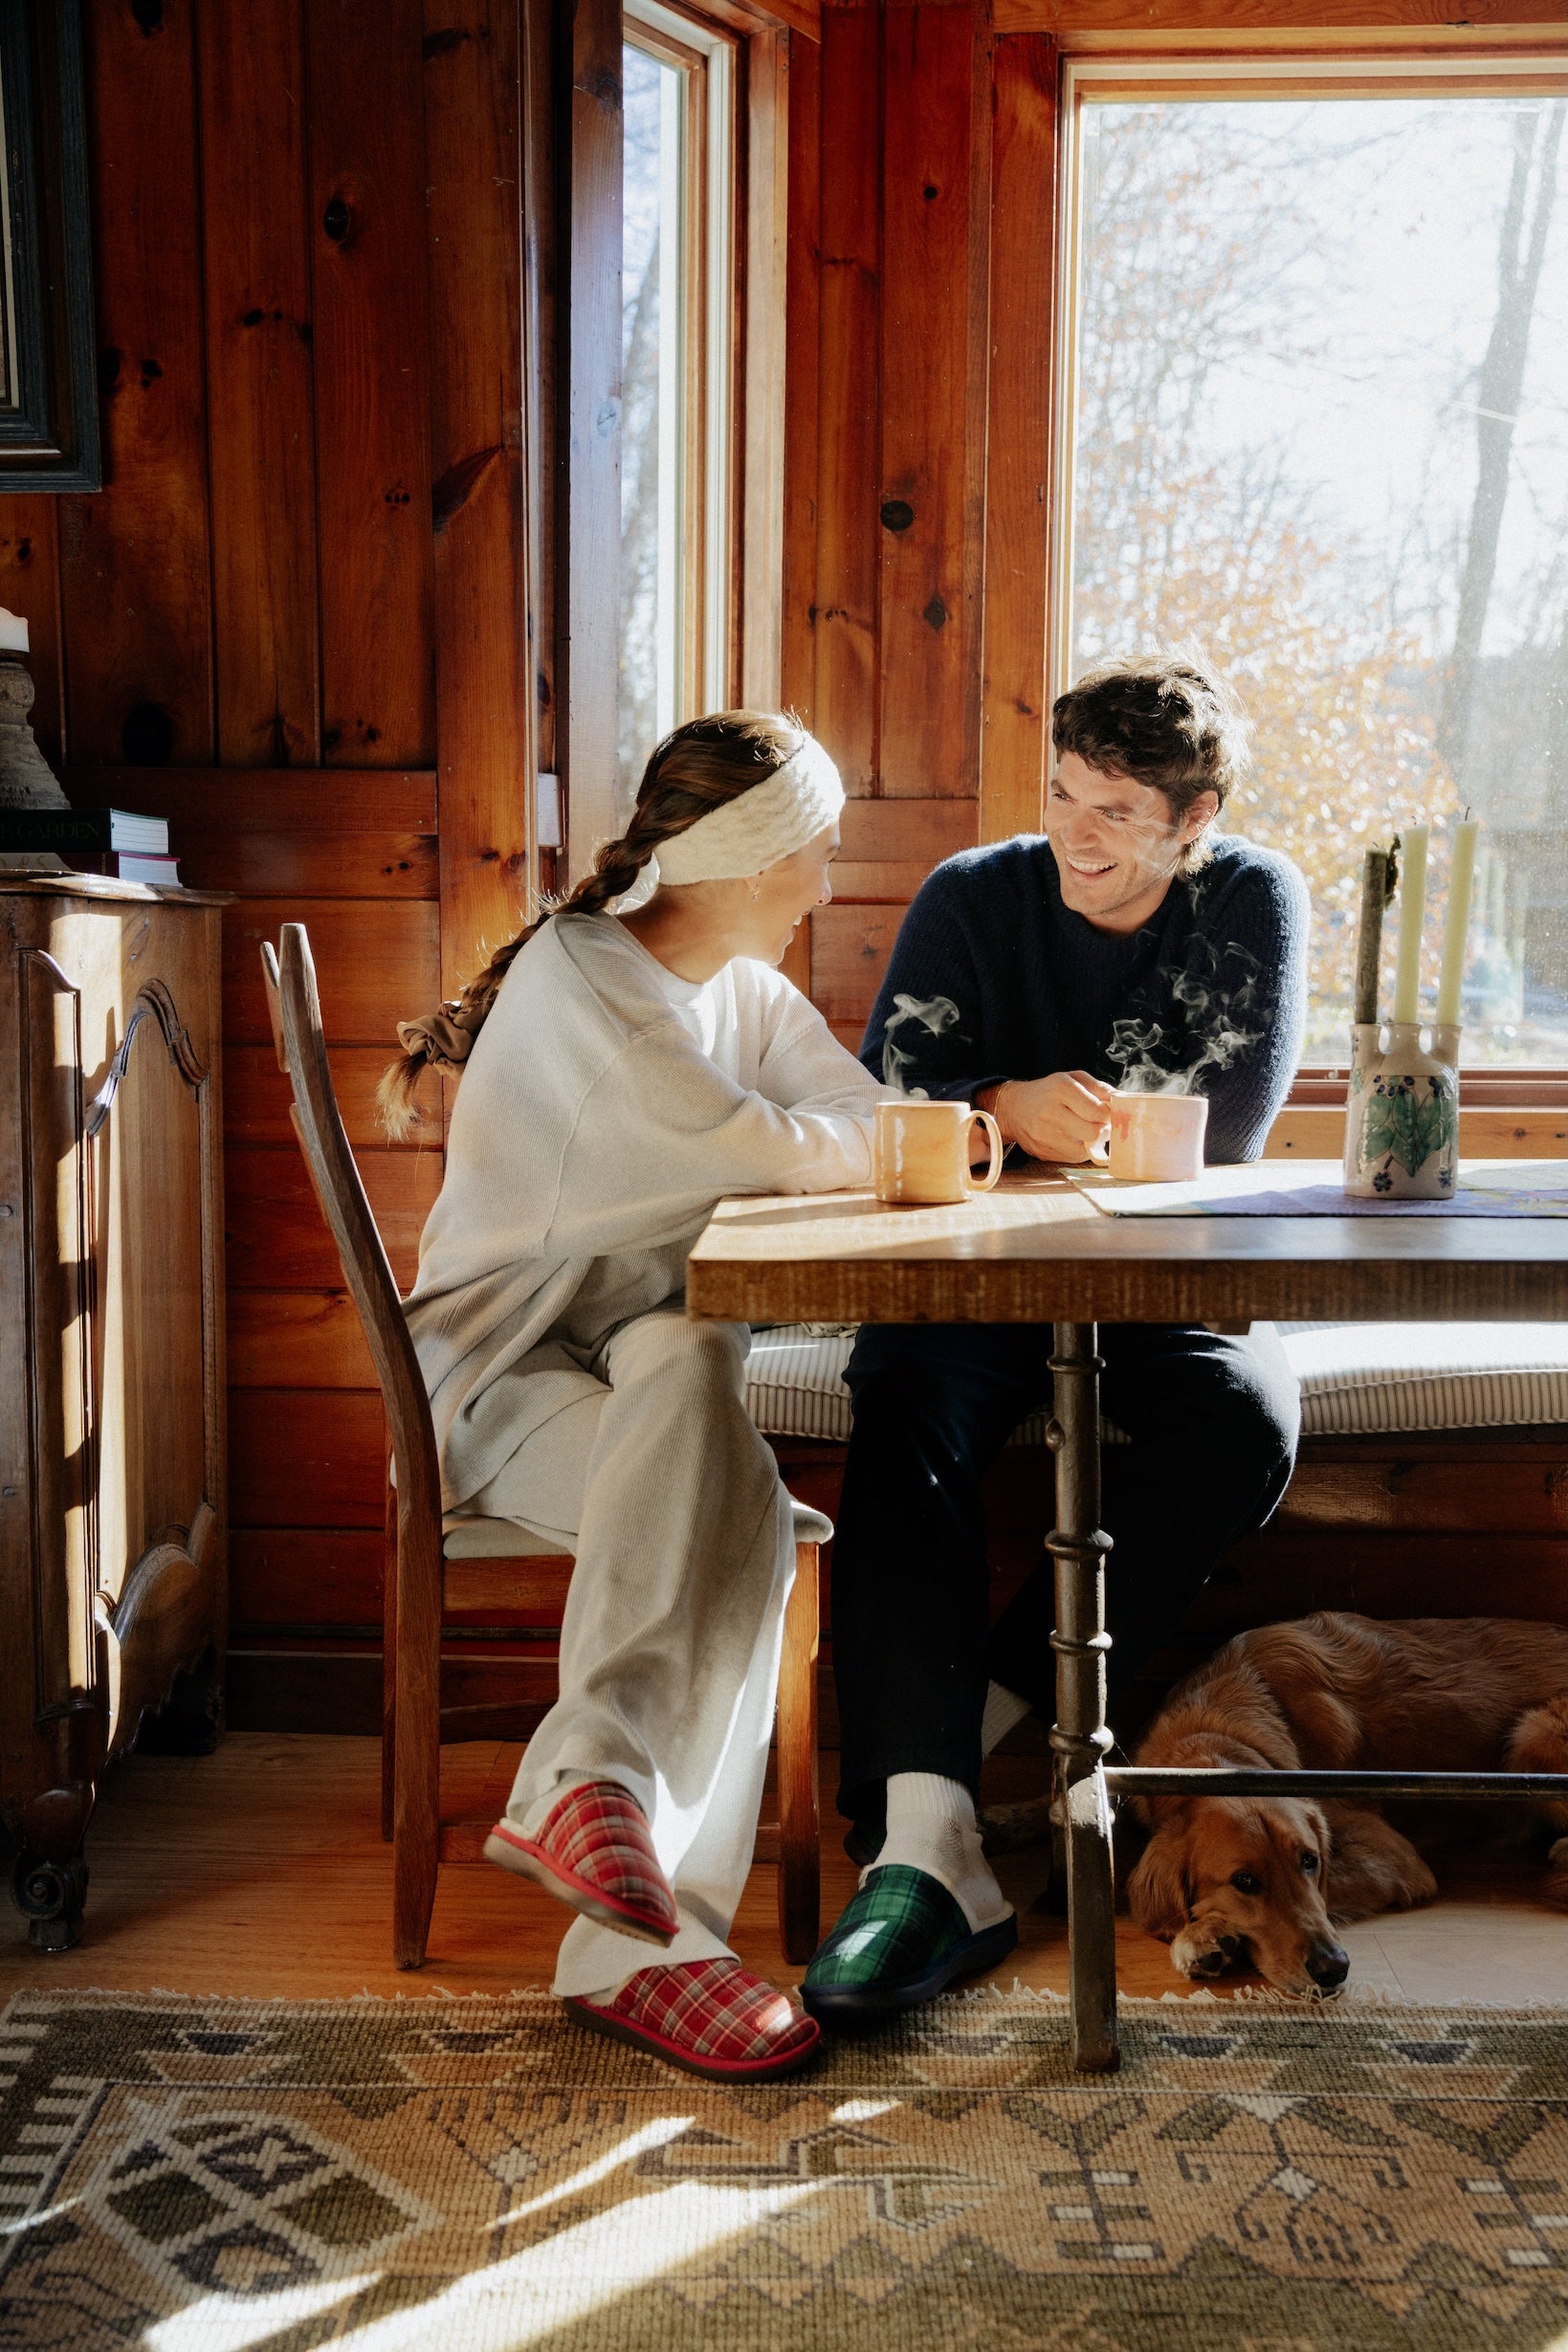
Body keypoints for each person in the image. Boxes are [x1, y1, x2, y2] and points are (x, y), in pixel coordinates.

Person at [803, 653, 1310, 2026]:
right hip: (969, 1270)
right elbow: (885, 1097)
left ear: (1196, 818)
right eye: (1064, 796)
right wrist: (999, 1103)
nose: (1075, 835)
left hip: (1154, 1280)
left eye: (1119, 813)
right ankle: (922, 1842)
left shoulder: (1249, 900)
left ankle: (970, 1730)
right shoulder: (976, 894)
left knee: (1253, 1416)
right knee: (899, 1386)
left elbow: (1230, 1123)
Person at [384, 712, 889, 2079]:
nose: (829, 889)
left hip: (619, 1369)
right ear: (745, 857)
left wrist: (882, 1137)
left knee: (687, 1350)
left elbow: (859, 1117)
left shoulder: (734, 985)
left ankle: (591, 1788)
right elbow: (784, 1150)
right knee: (748, 1523)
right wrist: (879, 1142)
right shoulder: (588, 991)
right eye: (818, 856)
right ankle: (657, 1945)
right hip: (489, 1397)